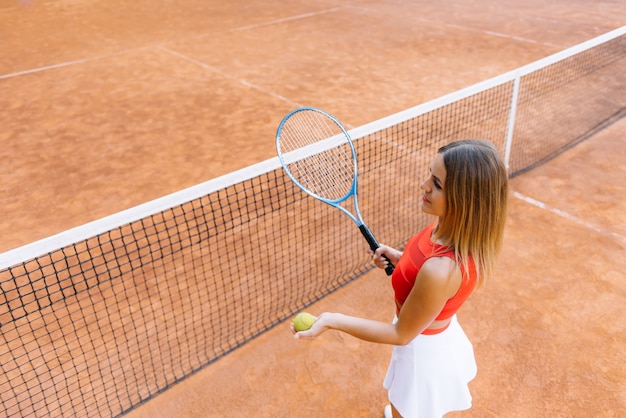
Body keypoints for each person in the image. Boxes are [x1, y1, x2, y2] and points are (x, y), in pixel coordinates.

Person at [291, 139, 509, 418]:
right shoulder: (449, 229)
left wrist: (331, 320)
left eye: (437, 184)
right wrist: (401, 258)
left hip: (422, 351)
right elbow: (426, 267)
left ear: (464, 201)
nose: (424, 186)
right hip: (431, 332)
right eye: (430, 174)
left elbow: (401, 334)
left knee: (404, 410)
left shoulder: (441, 269)